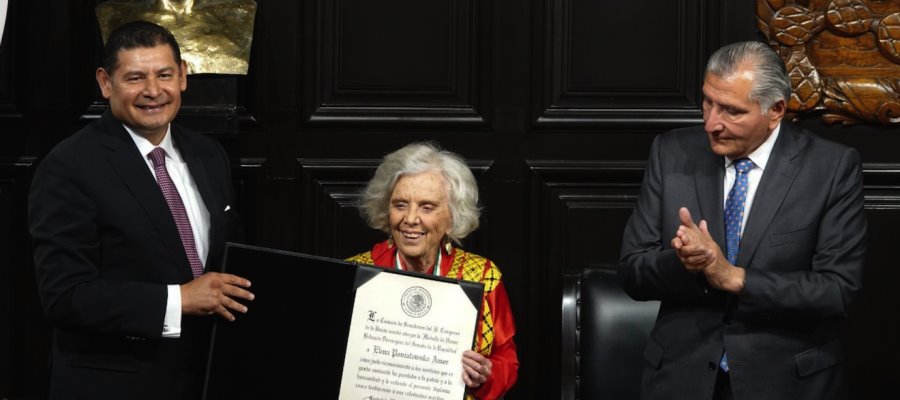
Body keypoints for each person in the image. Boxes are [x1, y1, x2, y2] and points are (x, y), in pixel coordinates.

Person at [619, 41, 866, 400]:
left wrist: (734, 277)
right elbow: (631, 270)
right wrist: (686, 263)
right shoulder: (670, 152)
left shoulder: (830, 168)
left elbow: (837, 290)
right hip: (681, 377)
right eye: (707, 102)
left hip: (785, 382)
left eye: (731, 111)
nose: (710, 123)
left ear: (775, 110)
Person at [28, 20, 254, 400]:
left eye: (164, 74)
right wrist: (179, 299)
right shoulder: (68, 166)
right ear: (105, 83)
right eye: (135, 78)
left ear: (182, 76)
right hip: (114, 385)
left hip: (204, 379)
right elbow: (64, 296)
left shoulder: (208, 153)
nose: (153, 91)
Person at [347, 142, 519, 400]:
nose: (411, 219)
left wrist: (486, 373)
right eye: (400, 204)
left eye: (427, 207)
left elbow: (507, 361)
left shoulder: (484, 276)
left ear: (451, 215)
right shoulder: (354, 273)